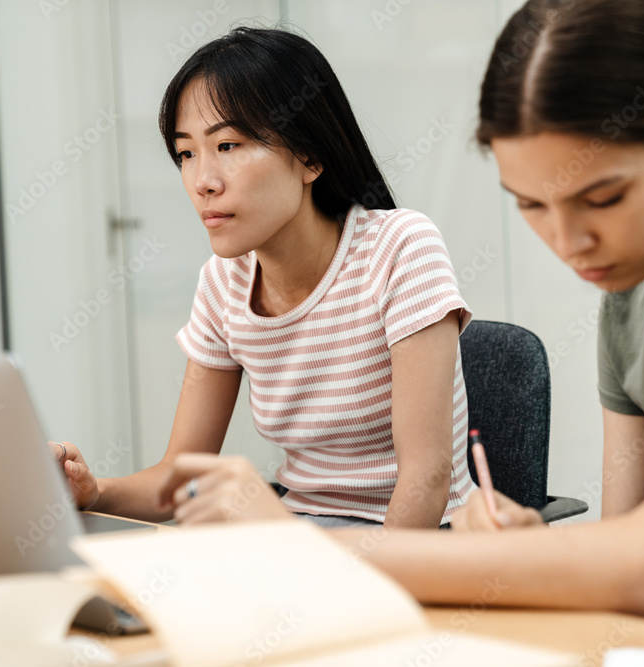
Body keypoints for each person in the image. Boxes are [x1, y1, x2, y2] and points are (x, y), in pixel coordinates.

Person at [150, 0, 644, 648]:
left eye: (603, 197)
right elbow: (622, 558)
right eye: (532, 204)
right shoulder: (632, 285)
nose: (569, 243)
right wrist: (530, 544)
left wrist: (300, 545)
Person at [55, 27, 476, 530]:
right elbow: (178, 478)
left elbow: (426, 478)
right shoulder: (223, 283)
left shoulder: (400, 248)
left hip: (416, 540)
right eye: (186, 153)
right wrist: (94, 490)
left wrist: (354, 579)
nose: (203, 181)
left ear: (310, 157)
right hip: (299, 529)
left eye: (228, 145)